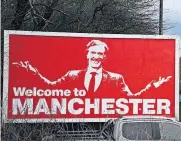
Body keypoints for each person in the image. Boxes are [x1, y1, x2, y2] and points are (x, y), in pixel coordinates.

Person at [13, 40, 171, 96]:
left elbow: (131, 99)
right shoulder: (72, 75)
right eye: (93, 53)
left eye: (100, 54)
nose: (96, 56)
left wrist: (152, 86)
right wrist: (34, 74)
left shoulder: (116, 79)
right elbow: (50, 89)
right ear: (87, 54)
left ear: (104, 57)